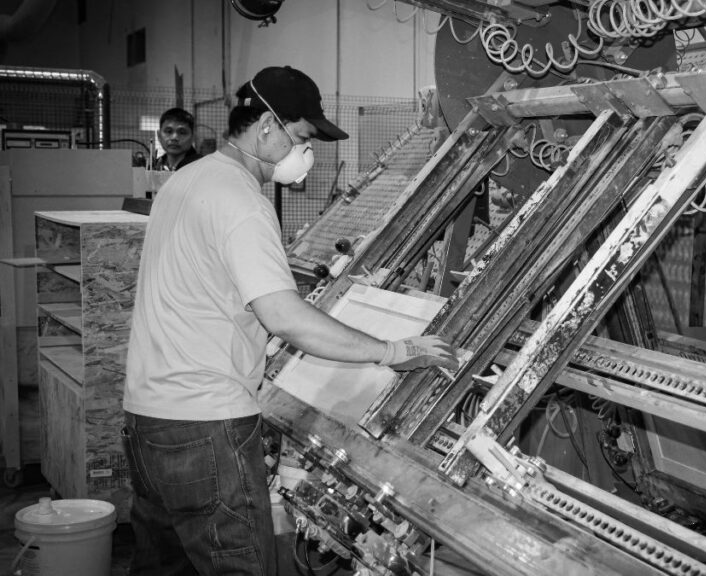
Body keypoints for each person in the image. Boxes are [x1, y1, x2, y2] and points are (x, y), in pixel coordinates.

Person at [122, 66, 459, 575]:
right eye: (301, 137)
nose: (306, 154)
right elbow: (284, 317)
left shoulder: (185, 180)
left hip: (147, 419)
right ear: (265, 126)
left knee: (166, 568)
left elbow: (210, 287)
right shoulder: (242, 201)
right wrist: (394, 351)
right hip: (205, 424)